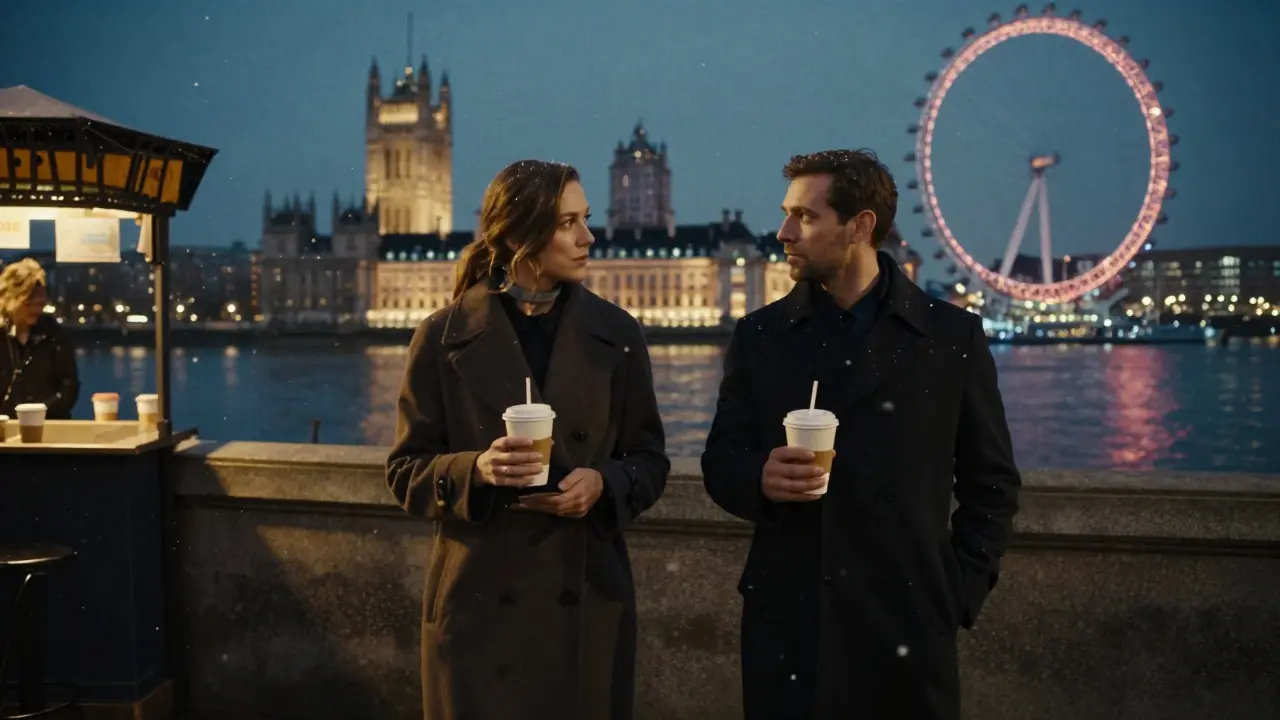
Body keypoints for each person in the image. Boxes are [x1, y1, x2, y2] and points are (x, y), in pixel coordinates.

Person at [701, 149, 1021, 719]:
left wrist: (955, 591)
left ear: (861, 225)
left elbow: (991, 483)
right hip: (793, 621)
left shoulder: (951, 340)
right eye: (786, 213)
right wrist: (759, 475)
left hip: (906, 623)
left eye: (805, 216)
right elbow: (721, 461)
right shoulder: (760, 336)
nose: (782, 232)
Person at [386, 159, 670, 720]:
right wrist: (479, 470)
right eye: (568, 223)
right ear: (519, 234)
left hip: (586, 599)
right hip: (477, 604)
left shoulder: (618, 334)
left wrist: (604, 482)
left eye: (586, 219)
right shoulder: (442, 337)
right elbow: (405, 472)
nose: (589, 237)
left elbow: (649, 460)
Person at [1, 257, 79, 419]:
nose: (37, 310)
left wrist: (38, 413)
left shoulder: (53, 334)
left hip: (49, 425)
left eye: (41, 304)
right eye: (30, 304)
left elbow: (69, 388)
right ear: (10, 300)